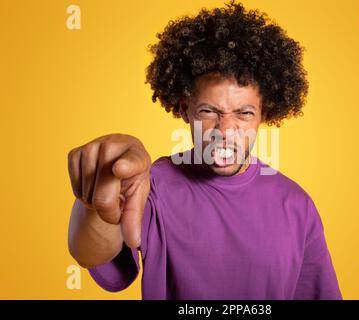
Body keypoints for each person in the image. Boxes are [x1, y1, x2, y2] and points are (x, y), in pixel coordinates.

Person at [67, 1, 342, 299]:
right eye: (209, 111)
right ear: (186, 110)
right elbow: (90, 253)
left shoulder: (296, 205)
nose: (224, 131)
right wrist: (97, 199)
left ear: (265, 113)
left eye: (244, 113)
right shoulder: (151, 184)